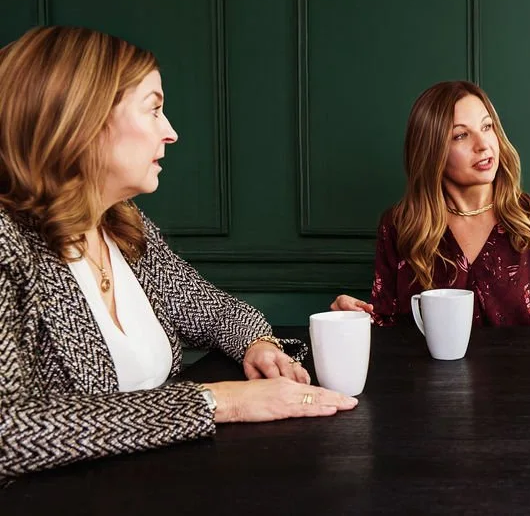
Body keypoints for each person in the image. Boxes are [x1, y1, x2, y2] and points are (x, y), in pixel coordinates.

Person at [0, 26, 356, 483]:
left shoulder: (120, 223)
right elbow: (9, 432)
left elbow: (213, 311)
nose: (170, 133)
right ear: (81, 121)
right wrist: (216, 401)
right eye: (154, 110)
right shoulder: (9, 242)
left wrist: (257, 343)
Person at [330, 80, 530, 326]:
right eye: (460, 136)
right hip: (428, 389)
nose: (483, 145)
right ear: (432, 151)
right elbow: (386, 327)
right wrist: (353, 319)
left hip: (523, 388)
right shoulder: (400, 225)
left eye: (486, 127)